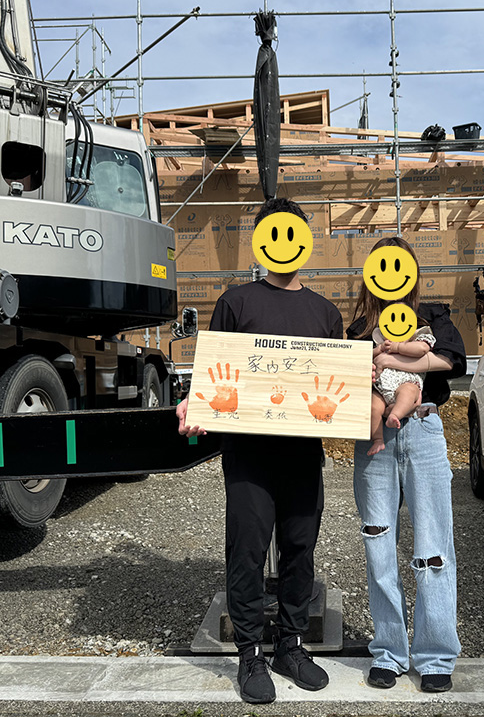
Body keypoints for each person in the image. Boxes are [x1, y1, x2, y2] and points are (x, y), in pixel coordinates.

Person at [177, 197, 341, 705]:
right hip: (249, 456)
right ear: (261, 241)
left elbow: (339, 387)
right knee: (247, 552)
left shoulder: (326, 313)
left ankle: (290, 645)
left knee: (300, 551)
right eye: (275, 232)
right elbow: (214, 373)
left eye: (293, 232)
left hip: (303, 455)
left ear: (305, 240)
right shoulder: (236, 303)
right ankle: (250, 652)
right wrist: (195, 402)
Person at [348, 235, 465, 693]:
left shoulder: (431, 315)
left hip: (423, 428)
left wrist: (393, 357)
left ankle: (435, 654)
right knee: (378, 541)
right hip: (374, 436)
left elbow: (452, 361)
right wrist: (367, 367)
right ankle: (389, 651)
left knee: (434, 543)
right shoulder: (361, 327)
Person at [367, 323, 436, 456]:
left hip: (406, 381)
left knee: (408, 393)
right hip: (381, 386)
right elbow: (367, 355)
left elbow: (422, 349)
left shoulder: (416, 340)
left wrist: (398, 347)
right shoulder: (383, 343)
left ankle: (395, 415)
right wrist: (379, 348)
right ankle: (378, 439)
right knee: (373, 407)